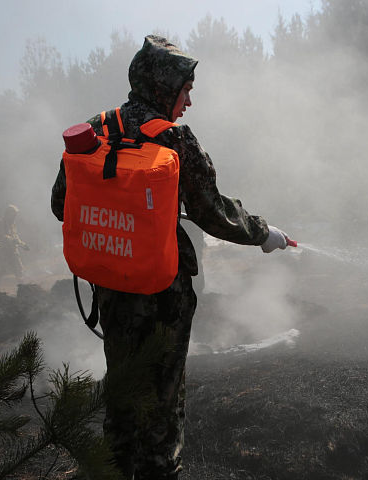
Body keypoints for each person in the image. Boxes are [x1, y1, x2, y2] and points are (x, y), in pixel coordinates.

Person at [50, 36, 289, 479]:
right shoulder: (175, 138)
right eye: (186, 90)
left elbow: (60, 202)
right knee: (162, 404)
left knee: (122, 393)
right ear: (164, 87)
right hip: (164, 296)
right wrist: (262, 233)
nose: (189, 101)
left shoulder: (96, 129)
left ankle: (113, 469)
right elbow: (211, 210)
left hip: (113, 288)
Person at [0, 204, 29, 285]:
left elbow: (16, 236)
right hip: (4, 251)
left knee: (18, 268)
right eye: (14, 214)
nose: (15, 216)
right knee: (2, 269)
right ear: (9, 213)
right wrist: (13, 240)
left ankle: (21, 284)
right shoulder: (1, 223)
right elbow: (2, 236)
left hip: (13, 250)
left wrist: (23, 245)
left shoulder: (13, 223)